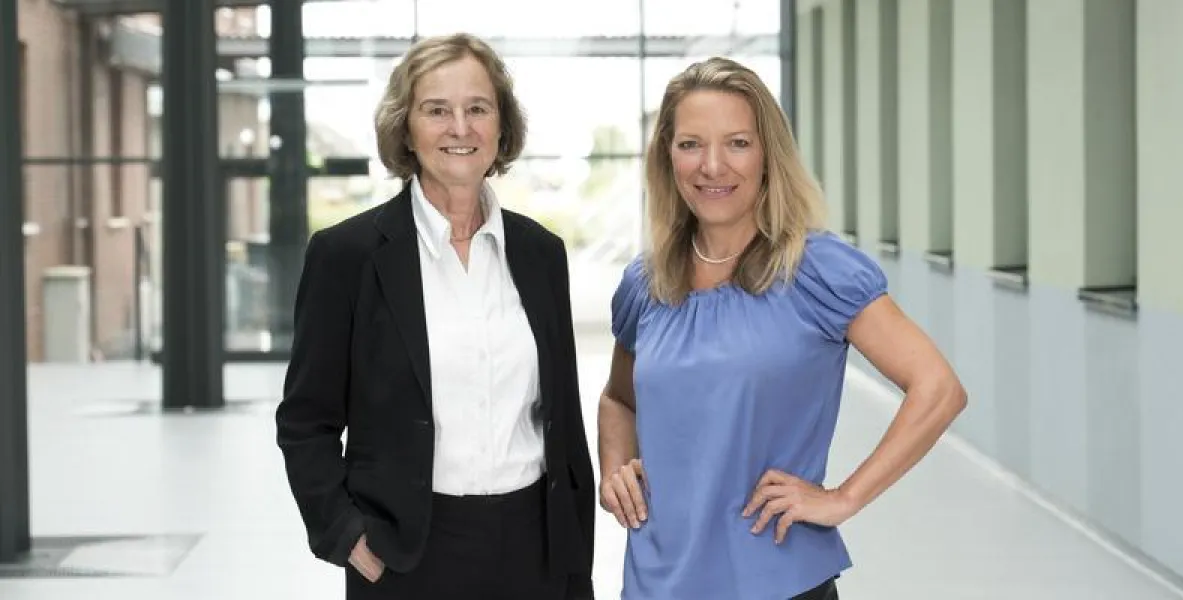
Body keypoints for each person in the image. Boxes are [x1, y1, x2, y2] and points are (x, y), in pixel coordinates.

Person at [597, 57, 968, 600]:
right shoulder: (646, 283)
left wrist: (843, 497)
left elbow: (938, 388)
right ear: (667, 157)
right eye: (691, 144)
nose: (713, 165)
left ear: (769, 155)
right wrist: (614, 469)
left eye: (738, 143)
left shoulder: (817, 270)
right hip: (657, 581)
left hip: (776, 580)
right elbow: (619, 400)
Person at [275, 33, 595, 600]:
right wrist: (349, 537)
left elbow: (564, 430)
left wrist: (573, 570)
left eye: (478, 108)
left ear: (501, 125)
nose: (460, 128)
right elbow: (306, 422)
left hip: (534, 550)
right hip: (406, 555)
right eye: (437, 110)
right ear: (406, 127)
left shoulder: (541, 253)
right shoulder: (347, 256)